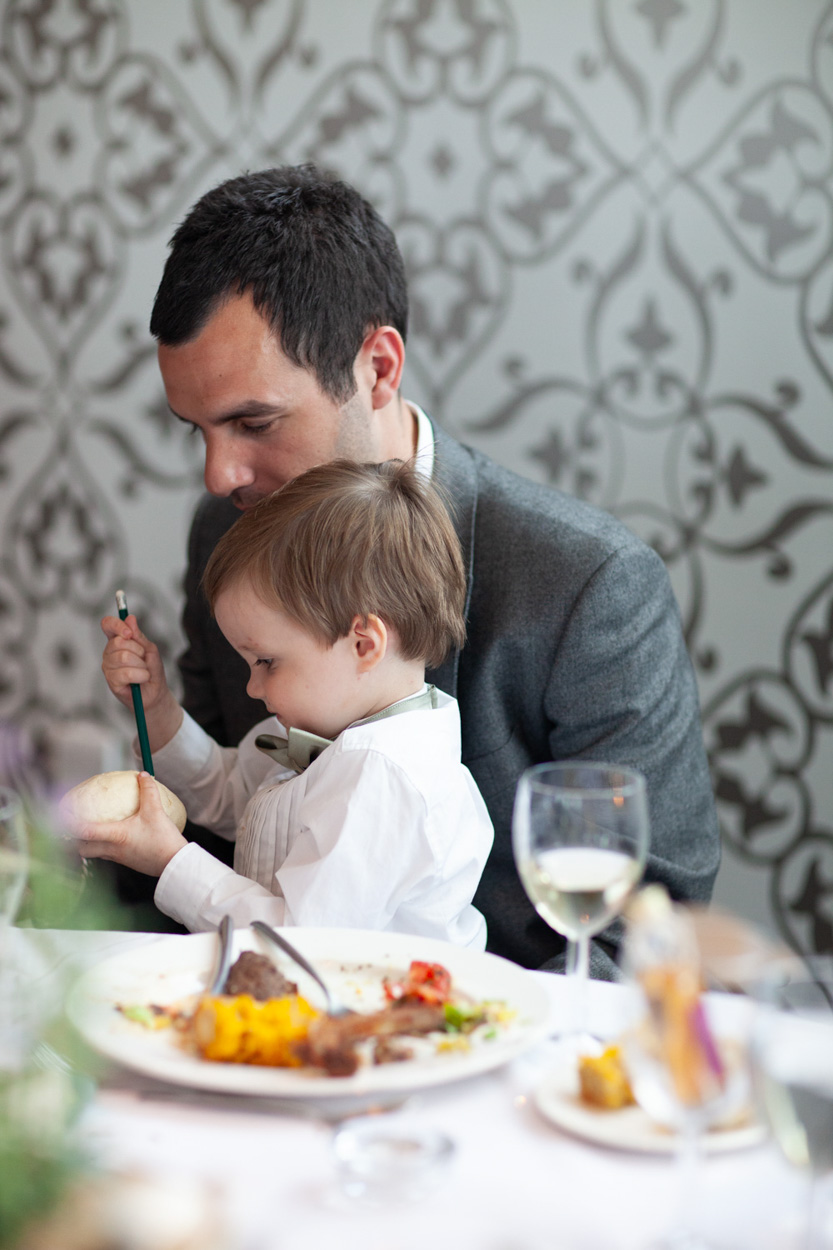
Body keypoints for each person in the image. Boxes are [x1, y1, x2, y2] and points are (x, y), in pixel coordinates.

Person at [144, 163, 720, 976]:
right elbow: (217, 820)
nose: (218, 475)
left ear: (377, 367)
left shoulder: (588, 583)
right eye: (195, 429)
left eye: (253, 421)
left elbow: (643, 930)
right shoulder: (223, 535)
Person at [78, 460, 493, 944]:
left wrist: (172, 862)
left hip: (377, 1011)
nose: (253, 688)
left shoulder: (384, 776)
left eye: (267, 662)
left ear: (364, 644)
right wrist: (156, 707)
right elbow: (229, 793)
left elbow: (302, 942)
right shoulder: (332, 726)